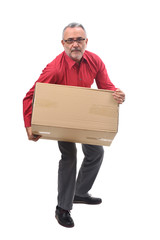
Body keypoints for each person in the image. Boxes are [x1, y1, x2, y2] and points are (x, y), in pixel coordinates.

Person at [23, 22, 125, 228]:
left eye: (79, 40)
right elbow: (30, 96)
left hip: (85, 114)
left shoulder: (95, 61)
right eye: (70, 40)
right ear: (63, 43)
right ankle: (63, 207)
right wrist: (29, 126)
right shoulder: (54, 68)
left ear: (86, 41)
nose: (75, 44)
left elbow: (106, 87)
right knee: (69, 157)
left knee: (96, 153)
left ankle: (79, 192)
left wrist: (117, 94)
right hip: (63, 117)